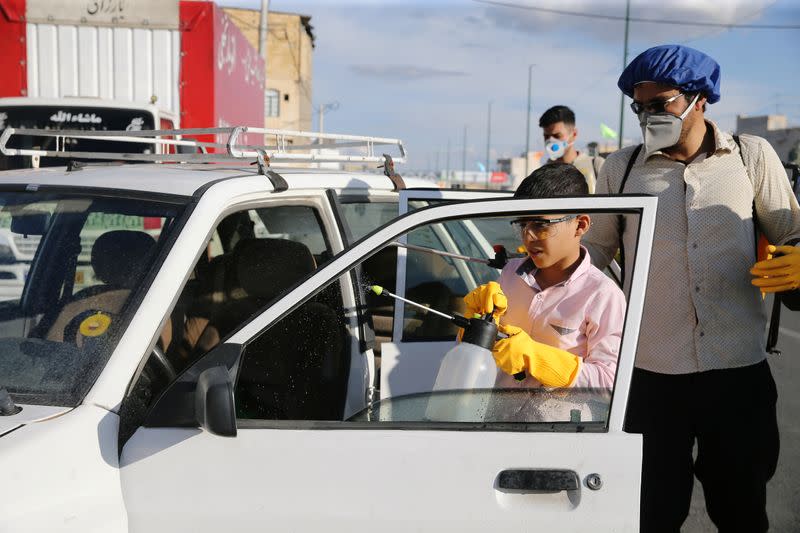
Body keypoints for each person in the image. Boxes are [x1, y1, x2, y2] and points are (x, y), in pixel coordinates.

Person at [584, 44, 800, 532]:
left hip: (736, 372)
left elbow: (789, 231)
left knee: (742, 511)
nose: (648, 117)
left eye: (661, 105)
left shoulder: (750, 156)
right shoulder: (621, 169)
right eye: (640, 107)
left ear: (699, 100)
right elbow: (593, 256)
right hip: (652, 376)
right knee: (649, 514)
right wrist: (534, 277)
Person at [463, 163, 626, 389]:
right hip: (499, 418)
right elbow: (481, 354)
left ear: (580, 225)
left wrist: (537, 358)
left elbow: (610, 383)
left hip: (559, 423)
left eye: (540, 225)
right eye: (522, 224)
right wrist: (477, 323)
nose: (528, 237)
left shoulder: (603, 295)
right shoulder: (511, 274)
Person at [539, 105, 604, 193]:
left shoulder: (596, 166)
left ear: (574, 134)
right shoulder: (543, 174)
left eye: (557, 136)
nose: (550, 141)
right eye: (546, 136)